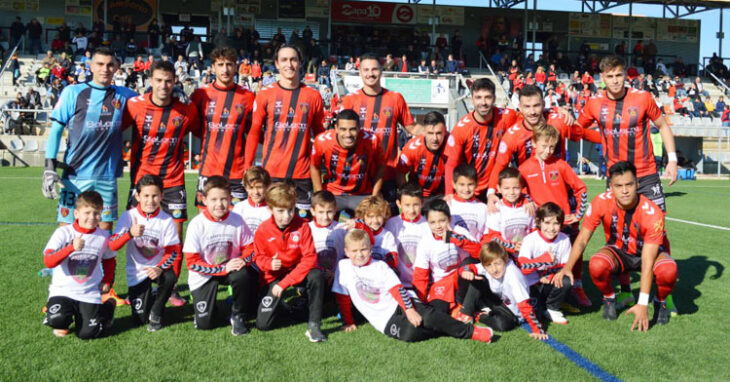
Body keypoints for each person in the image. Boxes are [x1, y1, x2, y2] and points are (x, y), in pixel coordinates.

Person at [553, 162, 677, 331]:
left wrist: (642, 303)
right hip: (619, 252)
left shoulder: (652, 213)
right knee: (597, 264)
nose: (624, 191)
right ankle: (610, 297)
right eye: (619, 186)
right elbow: (582, 239)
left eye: (629, 184)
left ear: (637, 184)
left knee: (668, 270)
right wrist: (568, 267)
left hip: (646, 254)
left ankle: (660, 302)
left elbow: (647, 261)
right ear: (611, 186)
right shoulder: (600, 201)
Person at [332, 229, 494, 343]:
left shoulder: (379, 266)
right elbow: (342, 296)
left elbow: (398, 290)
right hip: (384, 320)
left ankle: (471, 332)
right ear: (346, 251)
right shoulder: (343, 267)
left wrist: (409, 310)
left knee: (427, 317)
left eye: (364, 249)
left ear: (370, 249)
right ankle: (446, 324)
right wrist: (348, 321)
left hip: (400, 304)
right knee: (411, 334)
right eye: (354, 251)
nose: (359, 254)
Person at [42, 48, 138, 232]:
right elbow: (55, 130)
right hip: (75, 175)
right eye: (100, 64)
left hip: (106, 177)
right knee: (68, 230)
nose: (105, 69)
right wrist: (49, 167)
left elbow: (153, 100)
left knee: (103, 235)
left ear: (117, 67)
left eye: (110, 65)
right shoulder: (73, 92)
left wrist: (175, 91)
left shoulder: (125, 95)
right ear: (91, 66)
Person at [577, 55, 678, 212]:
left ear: (624, 75)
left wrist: (672, 160)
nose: (615, 80)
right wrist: (602, 138)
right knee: (619, 232)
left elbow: (663, 126)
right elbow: (577, 129)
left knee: (656, 231)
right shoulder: (594, 103)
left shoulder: (643, 98)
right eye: (609, 76)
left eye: (618, 75)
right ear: (602, 77)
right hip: (617, 178)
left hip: (646, 176)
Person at [123, 60, 200, 238]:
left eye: (168, 81)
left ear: (175, 82)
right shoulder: (135, 105)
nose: (163, 85)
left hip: (173, 181)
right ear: (150, 80)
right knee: (138, 234)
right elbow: (115, 131)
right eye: (158, 80)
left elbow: (199, 132)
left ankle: (171, 268)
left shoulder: (187, 109)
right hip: (142, 180)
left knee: (175, 237)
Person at [245, 44, 325, 214]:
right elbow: (253, 132)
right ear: (276, 63)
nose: (289, 64)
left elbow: (321, 137)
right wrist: (248, 167)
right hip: (271, 174)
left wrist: (321, 168)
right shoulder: (265, 94)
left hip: (302, 175)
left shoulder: (313, 96)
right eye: (284, 60)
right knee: (271, 228)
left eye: (293, 59)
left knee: (302, 230)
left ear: (300, 63)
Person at [518, 124, 589, 306]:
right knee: (544, 258)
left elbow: (581, 188)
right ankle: (548, 293)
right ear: (534, 143)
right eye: (544, 146)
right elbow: (519, 190)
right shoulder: (524, 168)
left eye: (552, 147)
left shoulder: (560, 165)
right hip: (542, 225)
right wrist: (527, 199)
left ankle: (576, 287)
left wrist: (578, 214)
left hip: (563, 221)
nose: (548, 151)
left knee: (574, 254)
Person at [340, 53, 419, 211]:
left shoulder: (395, 98)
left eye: (374, 69)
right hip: (358, 175)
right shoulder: (350, 100)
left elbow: (412, 128)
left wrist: (433, 130)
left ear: (381, 70)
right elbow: (340, 136)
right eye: (366, 70)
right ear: (360, 72)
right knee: (356, 227)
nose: (370, 74)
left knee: (386, 224)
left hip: (387, 175)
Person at [252, 182, 327, 342]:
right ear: (270, 209)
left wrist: (285, 283)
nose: (286, 216)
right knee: (263, 325)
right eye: (280, 211)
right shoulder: (263, 230)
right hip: (274, 277)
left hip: (295, 274)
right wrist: (268, 264)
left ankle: (314, 325)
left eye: (291, 210)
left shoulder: (303, 226)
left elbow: (310, 258)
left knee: (316, 275)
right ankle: (284, 306)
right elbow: (258, 257)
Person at [183, 176, 257, 335]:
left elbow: (251, 249)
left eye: (224, 199)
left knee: (242, 274)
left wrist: (242, 261)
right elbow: (192, 263)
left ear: (230, 199)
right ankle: (209, 306)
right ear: (204, 200)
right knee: (205, 324)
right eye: (214, 199)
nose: (219, 204)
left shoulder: (237, 220)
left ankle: (238, 314)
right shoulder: (197, 224)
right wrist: (222, 268)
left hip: (230, 269)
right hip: (205, 273)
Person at [487, 84, 582, 205]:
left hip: (560, 192)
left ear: (543, 104)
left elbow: (581, 134)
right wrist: (491, 193)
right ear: (520, 107)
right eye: (527, 106)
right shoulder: (512, 136)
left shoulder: (559, 121)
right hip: (530, 198)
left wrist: (566, 115)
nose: (532, 112)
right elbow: (500, 166)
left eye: (536, 106)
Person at [108, 175, 181, 331]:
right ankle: (153, 295)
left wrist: (160, 268)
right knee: (140, 320)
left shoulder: (166, 220)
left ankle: (157, 311)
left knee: (170, 277)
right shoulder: (129, 216)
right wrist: (129, 234)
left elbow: (173, 252)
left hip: (158, 269)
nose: (150, 200)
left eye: (155, 196)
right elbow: (113, 245)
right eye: (146, 196)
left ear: (162, 196)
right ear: (137, 196)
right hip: (137, 272)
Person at [42, 191, 117, 338]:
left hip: (88, 293)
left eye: (96, 213)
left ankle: (107, 308)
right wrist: (70, 247)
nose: (91, 217)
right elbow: (48, 261)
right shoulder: (63, 233)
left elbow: (109, 260)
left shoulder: (103, 236)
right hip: (63, 291)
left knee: (88, 334)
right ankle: (62, 317)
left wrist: (107, 280)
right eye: (87, 212)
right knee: (57, 319)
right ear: (76, 213)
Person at [190, 46, 255, 208]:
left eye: (229, 64)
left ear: (236, 66)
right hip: (208, 170)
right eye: (220, 65)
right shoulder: (200, 95)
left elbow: (252, 133)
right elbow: (195, 128)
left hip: (237, 172)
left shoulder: (248, 97)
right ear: (212, 67)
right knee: (205, 223)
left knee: (237, 225)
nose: (225, 69)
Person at [454, 241, 547, 340]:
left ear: (505, 259)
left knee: (505, 325)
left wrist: (537, 330)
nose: (494, 269)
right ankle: (465, 312)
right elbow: (468, 267)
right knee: (474, 277)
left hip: (511, 311)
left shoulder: (513, 275)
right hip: (497, 299)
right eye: (489, 265)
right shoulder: (488, 264)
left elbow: (524, 304)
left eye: (497, 264)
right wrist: (466, 271)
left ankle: (478, 314)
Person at [444, 78, 518, 201]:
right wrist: (448, 193)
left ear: (494, 98)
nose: (483, 102)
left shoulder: (507, 116)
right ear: (472, 99)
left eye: (487, 97)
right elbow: (451, 164)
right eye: (478, 97)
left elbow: (531, 118)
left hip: (497, 191)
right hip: (471, 191)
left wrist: (556, 111)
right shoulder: (462, 128)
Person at [412, 199, 481, 313]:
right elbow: (420, 275)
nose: (438, 226)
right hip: (442, 283)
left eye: (442, 221)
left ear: (449, 219)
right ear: (427, 223)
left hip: (463, 279)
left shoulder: (459, 231)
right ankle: (460, 310)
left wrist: (456, 239)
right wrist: (421, 302)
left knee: (469, 263)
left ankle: (466, 309)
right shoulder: (425, 243)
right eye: (432, 222)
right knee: (437, 311)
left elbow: (480, 252)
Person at [311, 109, 385, 212]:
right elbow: (315, 166)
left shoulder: (372, 140)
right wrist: (319, 194)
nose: (348, 134)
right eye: (343, 129)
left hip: (362, 193)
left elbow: (381, 166)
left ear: (359, 128)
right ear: (336, 128)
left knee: (374, 220)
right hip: (333, 192)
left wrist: (375, 194)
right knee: (323, 220)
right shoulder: (322, 141)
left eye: (352, 129)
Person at [515, 203, 573, 324]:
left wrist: (550, 274)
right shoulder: (530, 239)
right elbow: (523, 267)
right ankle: (543, 306)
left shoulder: (564, 239)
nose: (551, 228)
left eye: (556, 223)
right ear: (539, 222)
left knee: (566, 279)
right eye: (547, 223)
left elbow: (565, 265)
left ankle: (552, 308)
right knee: (534, 314)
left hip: (549, 281)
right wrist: (543, 260)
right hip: (531, 284)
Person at [384, 182, 431, 288]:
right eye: (407, 205)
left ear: (422, 203)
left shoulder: (428, 225)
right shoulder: (392, 224)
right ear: (398, 204)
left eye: (416, 205)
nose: (412, 210)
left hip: (422, 283)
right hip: (398, 283)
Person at [483, 168, 535, 256]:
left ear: (521, 187)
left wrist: (528, 245)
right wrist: (511, 246)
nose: (511, 192)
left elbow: (534, 231)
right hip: (504, 254)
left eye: (516, 188)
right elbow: (493, 236)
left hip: (526, 252)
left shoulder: (529, 206)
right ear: (498, 189)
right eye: (506, 188)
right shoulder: (496, 209)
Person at [397, 111, 448, 200]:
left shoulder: (453, 145)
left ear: (445, 131)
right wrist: (407, 196)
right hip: (418, 195)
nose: (435, 138)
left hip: (443, 195)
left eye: (439, 133)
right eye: (430, 133)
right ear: (423, 132)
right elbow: (400, 173)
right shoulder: (412, 148)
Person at [350, 195, 399, 270]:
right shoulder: (356, 232)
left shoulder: (387, 236)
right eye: (371, 217)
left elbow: (392, 258)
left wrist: (392, 269)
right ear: (363, 216)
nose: (375, 221)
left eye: (379, 216)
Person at [307, 190, 347, 282]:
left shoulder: (342, 229)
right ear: (312, 211)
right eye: (321, 212)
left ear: (335, 210)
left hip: (337, 277)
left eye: (329, 212)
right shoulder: (307, 229)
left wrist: (337, 274)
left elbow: (348, 256)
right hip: (315, 276)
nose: (325, 217)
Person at [447, 164, 488, 241]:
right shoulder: (448, 206)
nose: (466, 189)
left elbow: (486, 235)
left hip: (476, 250)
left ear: (476, 184)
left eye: (470, 184)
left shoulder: (483, 207)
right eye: (462, 185)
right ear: (453, 184)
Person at [232, 166, 272, 234]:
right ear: (246, 188)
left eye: (259, 187)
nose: (256, 192)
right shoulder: (239, 208)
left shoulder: (272, 210)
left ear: (267, 186)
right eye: (251, 188)